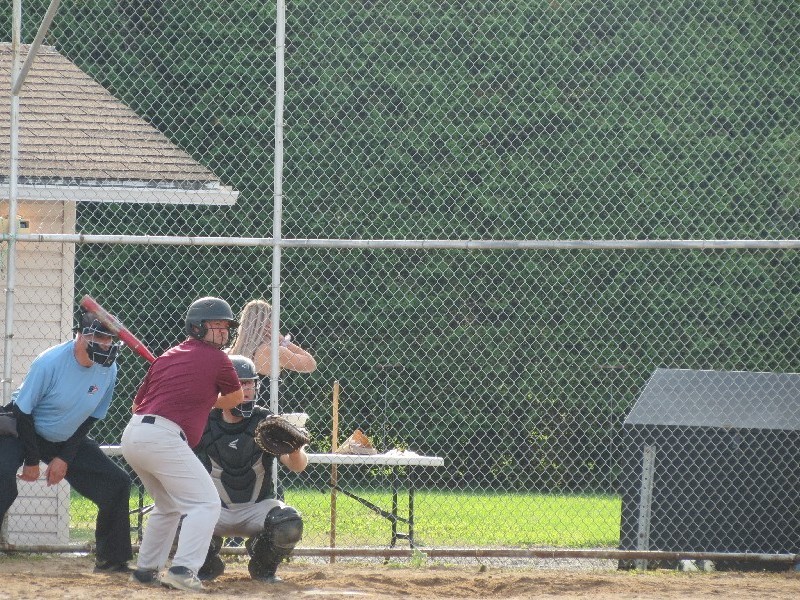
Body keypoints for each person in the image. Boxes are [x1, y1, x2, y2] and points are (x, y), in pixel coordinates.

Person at [121, 297, 244, 592]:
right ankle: (183, 570)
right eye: (216, 325)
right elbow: (237, 398)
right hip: (162, 437)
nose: (223, 331)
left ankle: (146, 570)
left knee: (168, 506)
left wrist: (196, 397)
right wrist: (207, 400)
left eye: (226, 326)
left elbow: (137, 405)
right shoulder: (218, 359)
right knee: (205, 503)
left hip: (134, 434)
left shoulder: (166, 357)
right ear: (197, 327)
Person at [0, 309, 133, 573]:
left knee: (117, 483)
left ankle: (112, 560)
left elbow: (90, 418)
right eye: (98, 337)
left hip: (67, 434)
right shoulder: (49, 362)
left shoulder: (109, 369)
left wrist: (64, 458)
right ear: (80, 336)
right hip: (23, 427)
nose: (105, 344)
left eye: (109, 339)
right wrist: (31, 460)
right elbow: (24, 412)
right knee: (2, 476)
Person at [195, 355, 309, 583]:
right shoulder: (204, 420)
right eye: (239, 383)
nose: (246, 390)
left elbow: (297, 466)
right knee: (177, 519)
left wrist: (295, 450)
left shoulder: (265, 420)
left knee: (289, 523)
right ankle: (207, 564)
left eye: (249, 383)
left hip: (257, 507)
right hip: (215, 508)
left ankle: (262, 567)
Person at [227, 299, 317, 402]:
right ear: (269, 324)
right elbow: (310, 364)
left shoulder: (230, 353)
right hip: (267, 409)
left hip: (235, 408)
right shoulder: (272, 352)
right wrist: (284, 341)